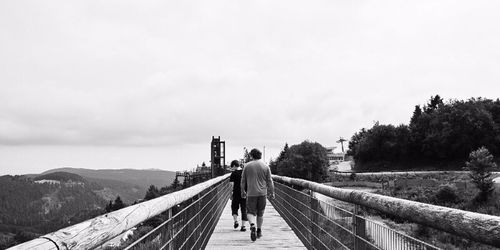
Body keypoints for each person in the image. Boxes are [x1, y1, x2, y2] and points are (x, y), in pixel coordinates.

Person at [241, 148, 275, 242]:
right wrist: (272, 192)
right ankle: (259, 231)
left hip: (251, 193)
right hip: (262, 194)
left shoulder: (247, 166)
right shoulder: (266, 166)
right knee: (260, 213)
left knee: (250, 212)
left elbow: (243, 181)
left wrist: (242, 191)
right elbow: (270, 181)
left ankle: (252, 225)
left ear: (251, 156)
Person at [229, 159, 248, 231]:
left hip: (236, 193)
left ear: (234, 166)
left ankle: (236, 221)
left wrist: (230, 194)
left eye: (231, 167)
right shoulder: (245, 172)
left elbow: (231, 185)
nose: (231, 169)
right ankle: (243, 226)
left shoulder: (233, 173)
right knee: (244, 209)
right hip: (244, 193)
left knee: (234, 207)